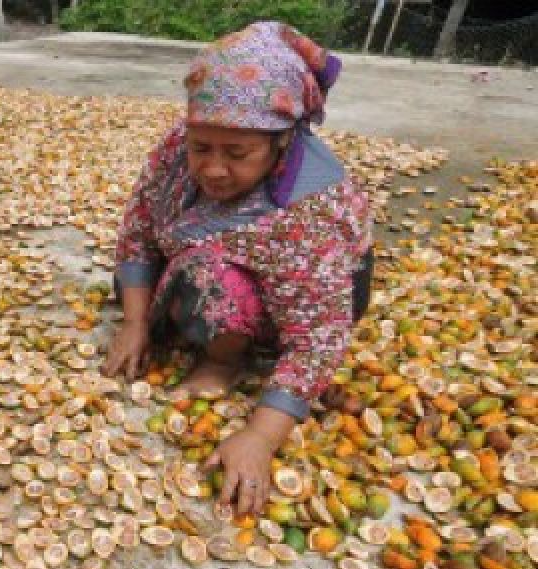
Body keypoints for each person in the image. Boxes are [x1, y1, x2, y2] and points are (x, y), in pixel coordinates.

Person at [102, 21, 374, 515]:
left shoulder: (309, 207)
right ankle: (188, 323)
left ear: (280, 141)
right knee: (177, 266)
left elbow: (317, 334)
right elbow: (139, 228)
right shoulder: (175, 151)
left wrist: (261, 436)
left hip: (307, 296)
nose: (213, 169)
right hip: (220, 258)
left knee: (207, 274)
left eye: (238, 153)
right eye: (201, 147)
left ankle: (225, 360)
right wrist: (135, 322)